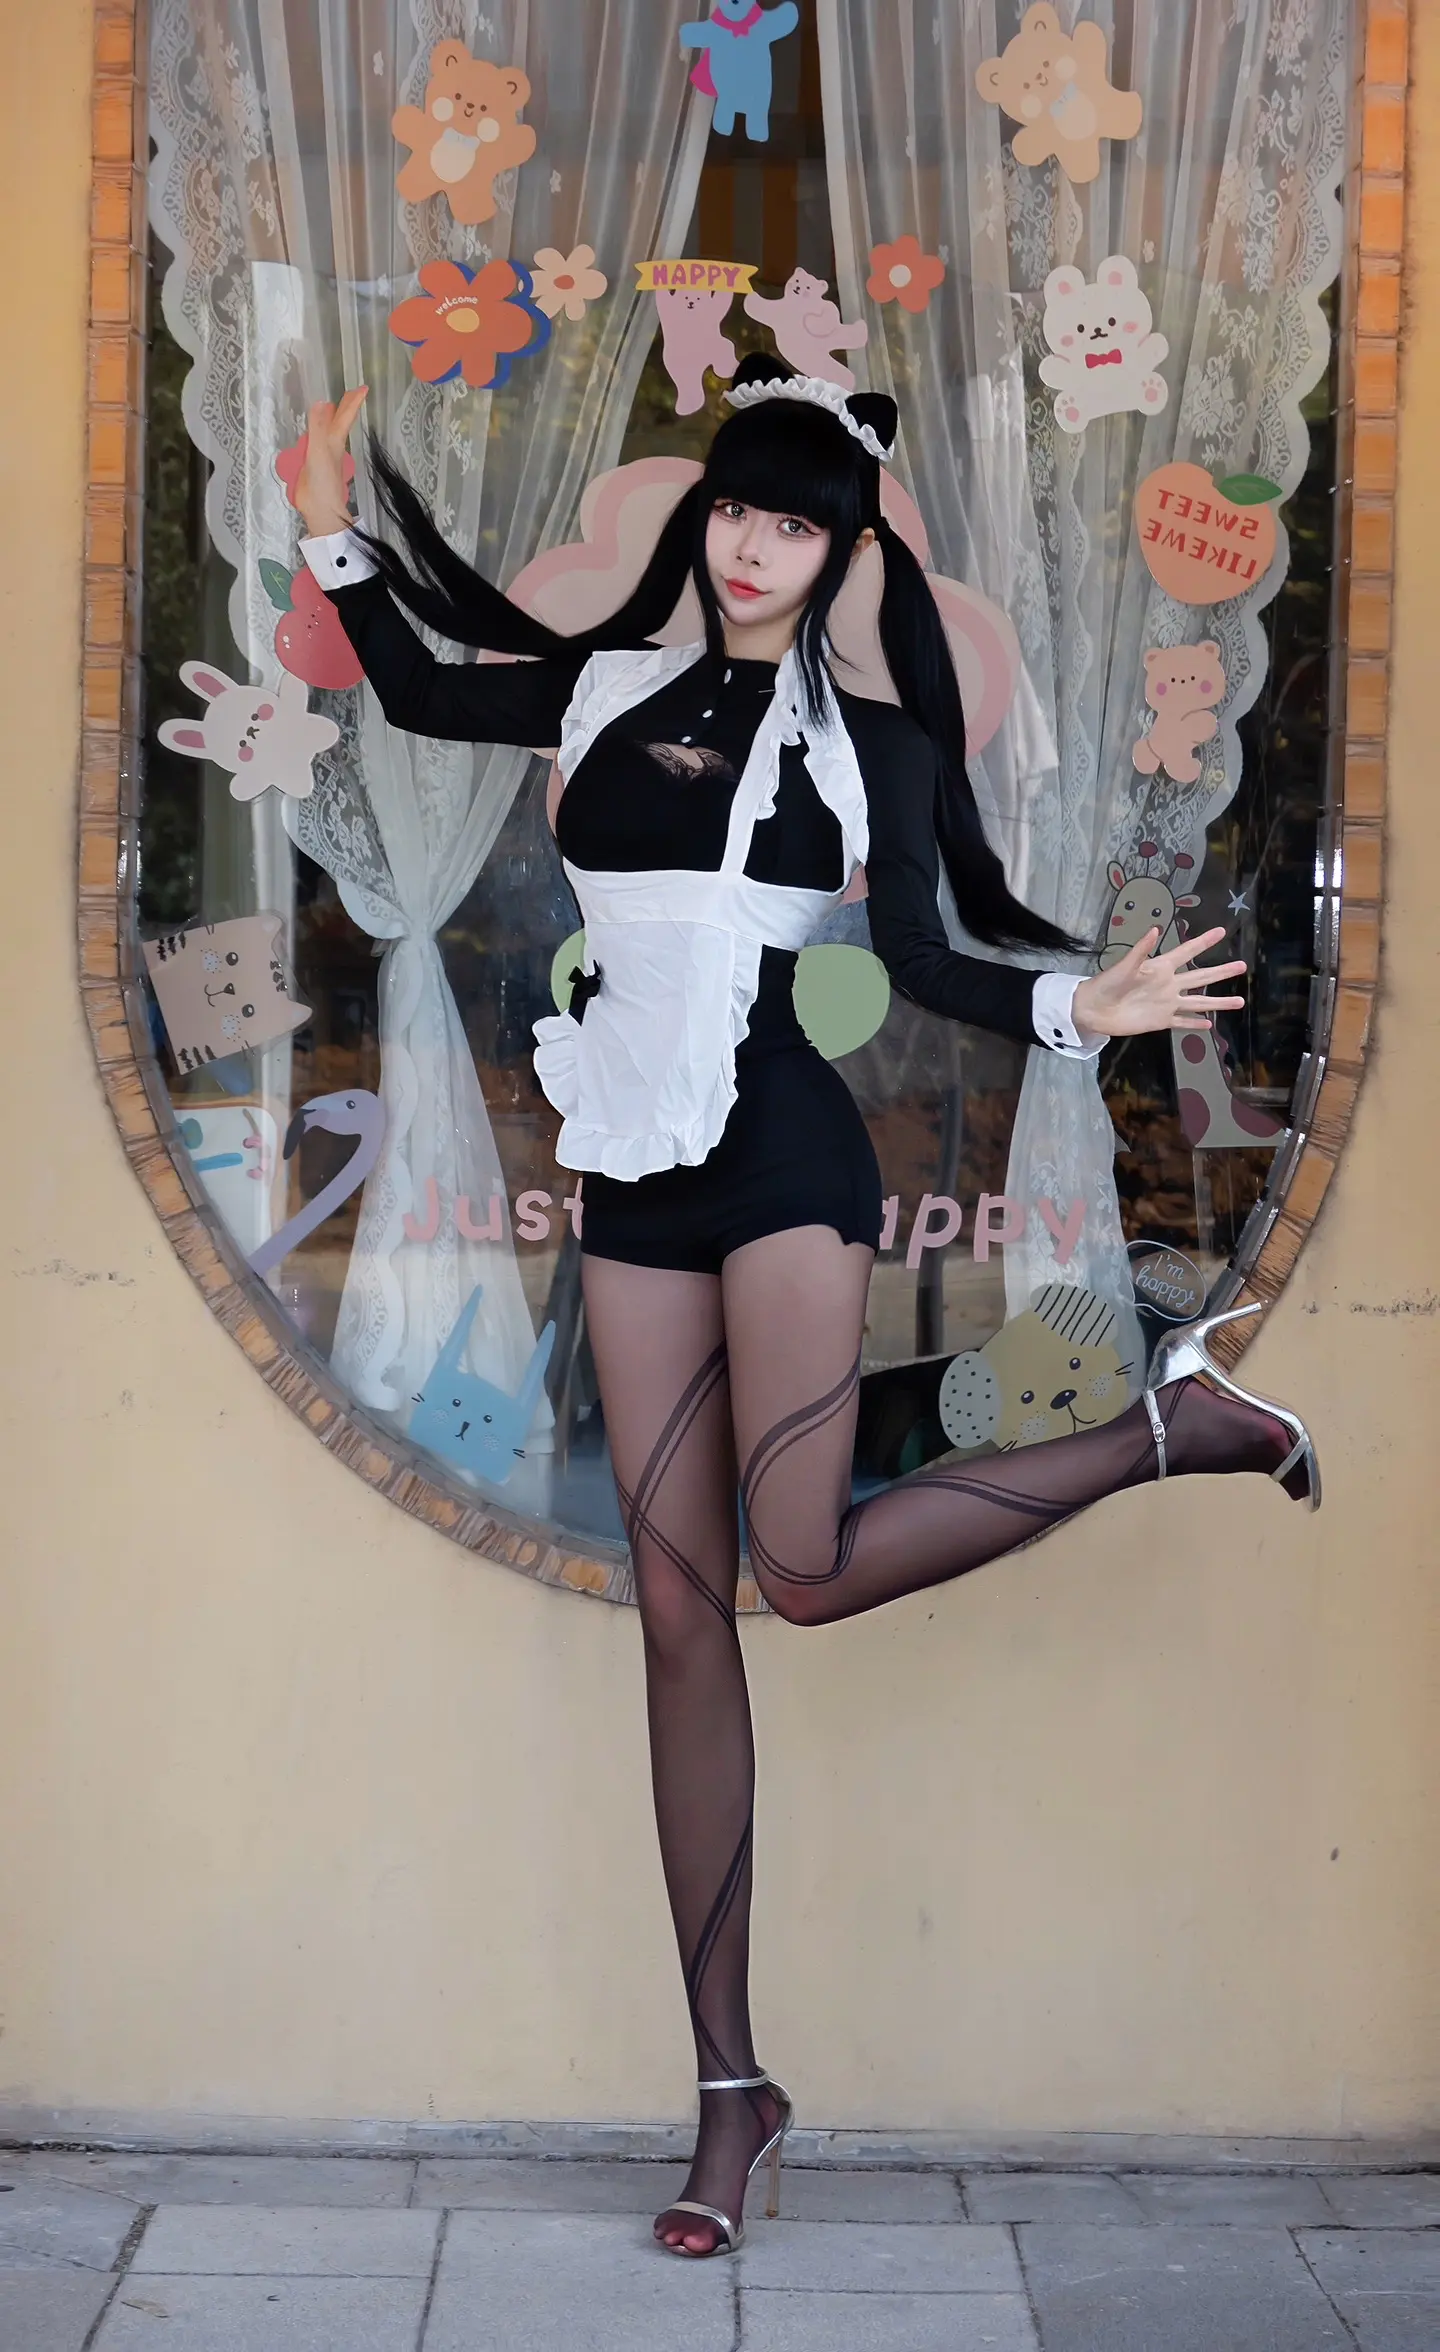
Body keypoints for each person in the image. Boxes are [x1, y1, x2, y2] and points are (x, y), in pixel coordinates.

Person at [292, 354, 1318, 2259]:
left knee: (805, 1569)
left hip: (783, 1157)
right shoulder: (603, 686)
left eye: (797, 522)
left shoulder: (881, 750)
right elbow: (423, 689)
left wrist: (1074, 1007)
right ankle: (728, 2099)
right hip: (633, 1175)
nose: (759, 545)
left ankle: (1163, 1431)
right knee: (682, 1620)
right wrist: (334, 542)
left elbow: (923, 951)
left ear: (843, 551)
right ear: (705, 521)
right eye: (740, 510)